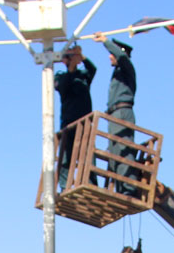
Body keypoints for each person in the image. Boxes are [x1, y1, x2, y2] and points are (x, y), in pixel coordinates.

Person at [92, 31, 138, 196]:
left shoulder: (126, 68)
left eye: (113, 53)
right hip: (114, 114)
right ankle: (120, 188)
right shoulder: (118, 72)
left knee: (124, 148)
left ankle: (128, 188)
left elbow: (122, 57)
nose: (110, 56)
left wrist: (106, 41)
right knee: (114, 151)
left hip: (122, 112)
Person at [54, 44, 97, 190]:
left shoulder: (83, 76)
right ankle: (65, 185)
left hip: (85, 122)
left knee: (87, 156)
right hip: (68, 122)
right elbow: (62, 87)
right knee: (66, 156)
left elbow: (93, 69)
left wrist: (81, 56)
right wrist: (71, 66)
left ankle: (90, 184)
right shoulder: (60, 76)